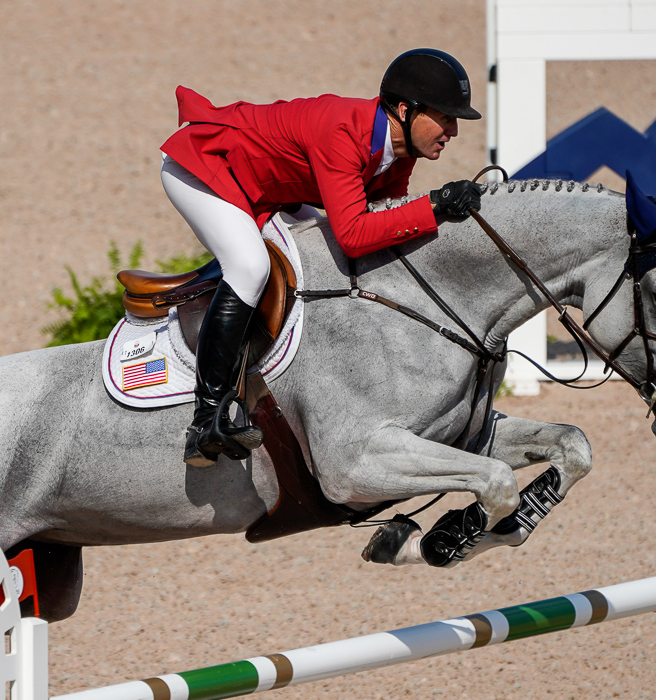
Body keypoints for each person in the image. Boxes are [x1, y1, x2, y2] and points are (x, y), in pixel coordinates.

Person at [161, 48, 484, 467]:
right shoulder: (343, 132)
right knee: (250, 266)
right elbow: (353, 234)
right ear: (405, 110)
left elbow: (388, 224)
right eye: (445, 117)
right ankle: (207, 419)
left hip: (276, 188)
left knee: (321, 265)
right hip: (204, 167)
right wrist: (435, 206)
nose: (453, 131)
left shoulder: (398, 154)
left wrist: (435, 214)